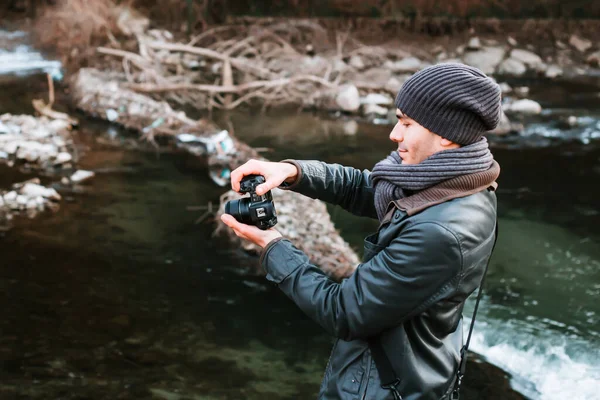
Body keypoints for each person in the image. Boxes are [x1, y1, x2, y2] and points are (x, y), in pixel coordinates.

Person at [221, 63, 502, 400]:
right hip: (403, 373)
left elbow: (343, 312)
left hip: (382, 391)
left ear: (446, 135)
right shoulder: (457, 179)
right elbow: (366, 188)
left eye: (407, 123)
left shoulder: (441, 231)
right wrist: (290, 172)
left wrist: (272, 245)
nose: (394, 134)